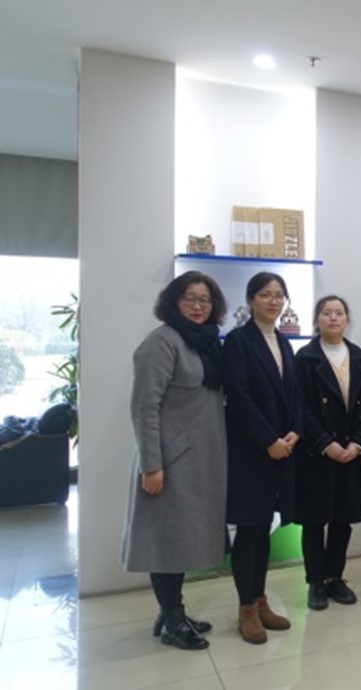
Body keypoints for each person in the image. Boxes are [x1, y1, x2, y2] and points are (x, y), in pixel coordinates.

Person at [122, 271, 228, 651]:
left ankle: (171, 611)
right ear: (173, 302)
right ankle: (172, 620)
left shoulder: (204, 343)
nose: (198, 306)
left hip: (199, 461)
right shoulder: (161, 342)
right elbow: (143, 407)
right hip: (169, 461)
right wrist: (152, 465)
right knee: (165, 541)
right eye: (190, 298)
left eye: (205, 300)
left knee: (180, 540)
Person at [224, 272, 301, 644]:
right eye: (266, 294)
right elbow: (238, 398)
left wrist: (295, 431)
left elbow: (295, 394)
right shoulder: (238, 341)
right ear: (251, 300)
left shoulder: (284, 342)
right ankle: (245, 609)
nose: (274, 301)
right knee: (249, 529)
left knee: (264, 527)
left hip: (282, 450)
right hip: (251, 451)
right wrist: (268, 439)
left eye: (279, 295)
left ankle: (260, 599)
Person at [293, 295, 361, 611]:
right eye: (326, 313)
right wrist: (325, 443)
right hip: (317, 453)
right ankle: (315, 581)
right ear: (317, 320)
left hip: (351, 451)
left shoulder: (359, 358)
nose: (333, 318)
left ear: (347, 319)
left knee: (343, 519)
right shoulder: (305, 358)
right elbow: (301, 407)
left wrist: (359, 443)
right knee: (314, 521)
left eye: (339, 313)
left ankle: (335, 577)